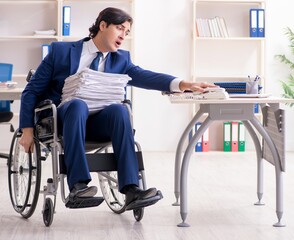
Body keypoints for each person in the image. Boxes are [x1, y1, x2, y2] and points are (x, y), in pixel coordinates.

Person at [19, 7, 215, 209]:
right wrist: (27, 129)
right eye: (120, 28)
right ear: (102, 25)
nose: (123, 36)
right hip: (63, 121)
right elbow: (31, 91)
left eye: (127, 32)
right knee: (77, 105)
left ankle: (131, 190)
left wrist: (182, 84)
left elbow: (146, 76)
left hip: (97, 124)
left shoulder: (122, 59)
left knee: (120, 110)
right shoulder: (61, 52)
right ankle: (78, 185)